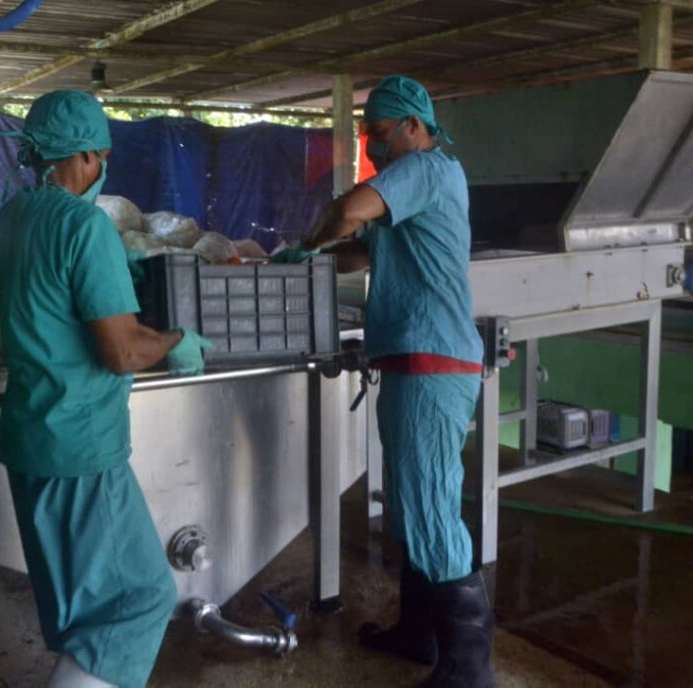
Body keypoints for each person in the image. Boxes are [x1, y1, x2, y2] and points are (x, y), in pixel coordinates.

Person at [276, 75, 495, 687]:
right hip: (411, 361)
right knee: (412, 504)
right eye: (367, 136)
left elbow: (347, 212)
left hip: (433, 361)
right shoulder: (411, 186)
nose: (373, 147)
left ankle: (469, 669)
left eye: (378, 134)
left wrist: (312, 235)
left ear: (414, 127)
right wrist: (310, 258)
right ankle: (419, 633)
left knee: (431, 508)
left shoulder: (426, 168)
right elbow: (362, 248)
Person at [0, 90, 213, 688]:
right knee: (137, 602)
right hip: (80, 449)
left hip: (31, 439)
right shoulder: (85, 225)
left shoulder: (13, 218)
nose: (103, 168)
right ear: (87, 156)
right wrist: (175, 341)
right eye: (103, 157)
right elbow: (121, 352)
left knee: (83, 611)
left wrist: (118, 279)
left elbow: (55, 299)